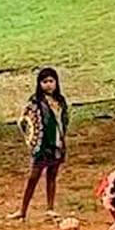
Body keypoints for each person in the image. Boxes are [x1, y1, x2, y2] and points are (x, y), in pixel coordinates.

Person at [13, 67, 69, 219]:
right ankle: (22, 210)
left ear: (56, 83)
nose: (48, 85)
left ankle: (50, 208)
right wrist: (34, 141)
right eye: (45, 82)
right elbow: (25, 121)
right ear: (39, 84)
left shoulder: (60, 101)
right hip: (42, 146)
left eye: (51, 81)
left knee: (52, 176)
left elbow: (64, 121)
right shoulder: (35, 102)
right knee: (33, 177)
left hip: (56, 144)